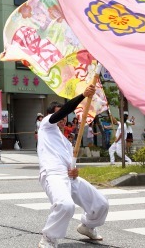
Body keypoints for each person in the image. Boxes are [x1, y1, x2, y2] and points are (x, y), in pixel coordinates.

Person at [37, 84, 109, 248]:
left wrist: (74, 171)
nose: (63, 118)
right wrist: (83, 95)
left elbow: (71, 166)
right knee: (65, 205)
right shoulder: (46, 125)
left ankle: (88, 226)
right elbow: (62, 112)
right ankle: (48, 238)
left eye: (65, 116)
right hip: (53, 175)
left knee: (101, 203)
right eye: (60, 114)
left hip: (69, 178)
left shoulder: (67, 142)